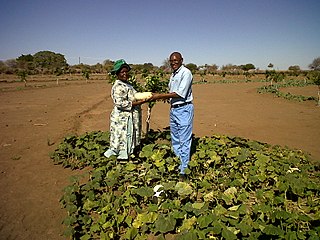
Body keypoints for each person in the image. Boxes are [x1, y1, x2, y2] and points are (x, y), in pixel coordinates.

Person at [151, 52, 194, 177]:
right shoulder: (173, 75)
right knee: (175, 139)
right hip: (174, 109)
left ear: (181, 60)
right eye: (171, 61)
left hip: (184, 109)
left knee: (184, 140)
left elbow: (180, 94)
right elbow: (170, 94)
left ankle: (184, 171)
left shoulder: (186, 73)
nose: (173, 63)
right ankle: (177, 163)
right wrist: (156, 96)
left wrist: (159, 96)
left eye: (176, 60)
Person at [104, 59, 150, 160]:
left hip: (131, 116)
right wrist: (140, 102)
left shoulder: (128, 84)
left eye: (126, 71)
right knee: (122, 138)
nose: (125, 74)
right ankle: (122, 158)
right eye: (122, 72)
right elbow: (120, 103)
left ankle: (129, 155)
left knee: (130, 137)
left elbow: (134, 95)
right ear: (117, 73)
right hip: (123, 119)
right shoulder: (118, 87)